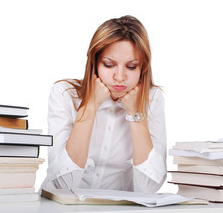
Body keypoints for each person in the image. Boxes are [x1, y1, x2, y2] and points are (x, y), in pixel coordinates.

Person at [41, 15, 167, 193]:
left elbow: (149, 188)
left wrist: (136, 114)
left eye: (131, 67)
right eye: (109, 65)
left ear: (142, 69)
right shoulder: (64, 94)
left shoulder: (152, 99)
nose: (119, 77)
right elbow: (63, 185)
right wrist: (90, 107)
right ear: (94, 64)